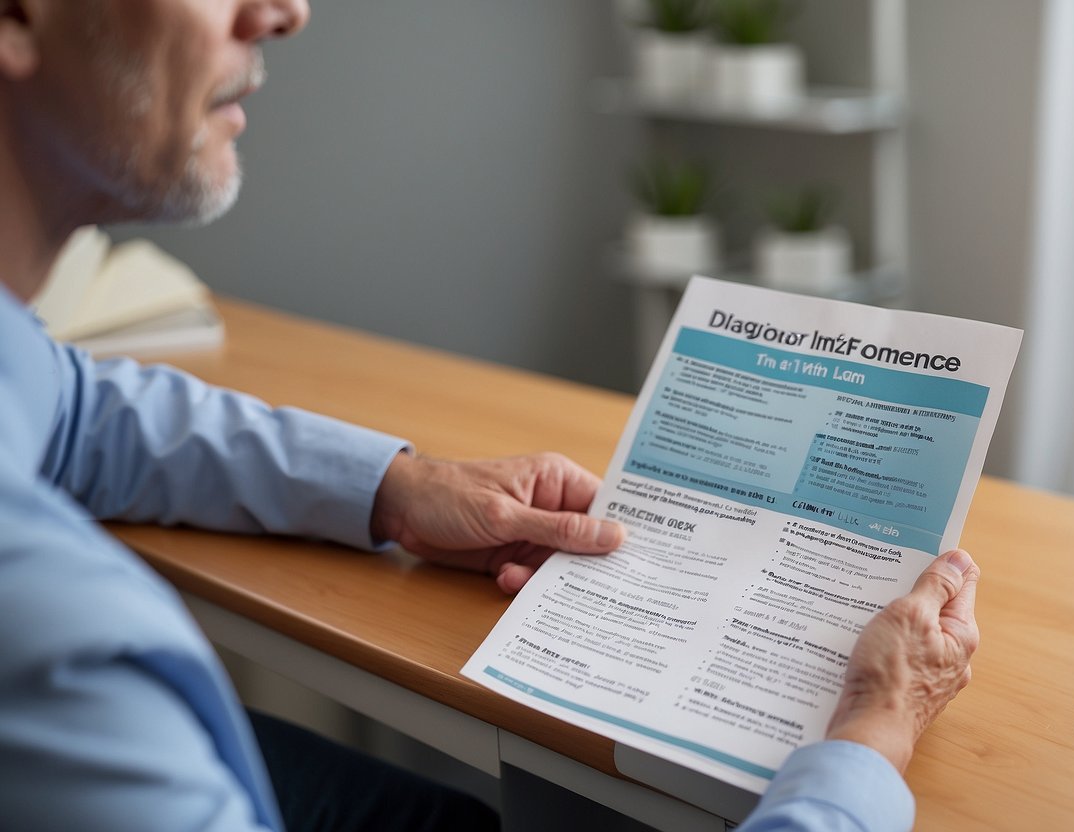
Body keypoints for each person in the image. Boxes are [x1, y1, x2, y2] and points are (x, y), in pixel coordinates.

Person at [0, 1, 979, 831]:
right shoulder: (63, 653)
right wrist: (868, 740)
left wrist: (400, 489)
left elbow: (78, 409)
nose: (286, 11)